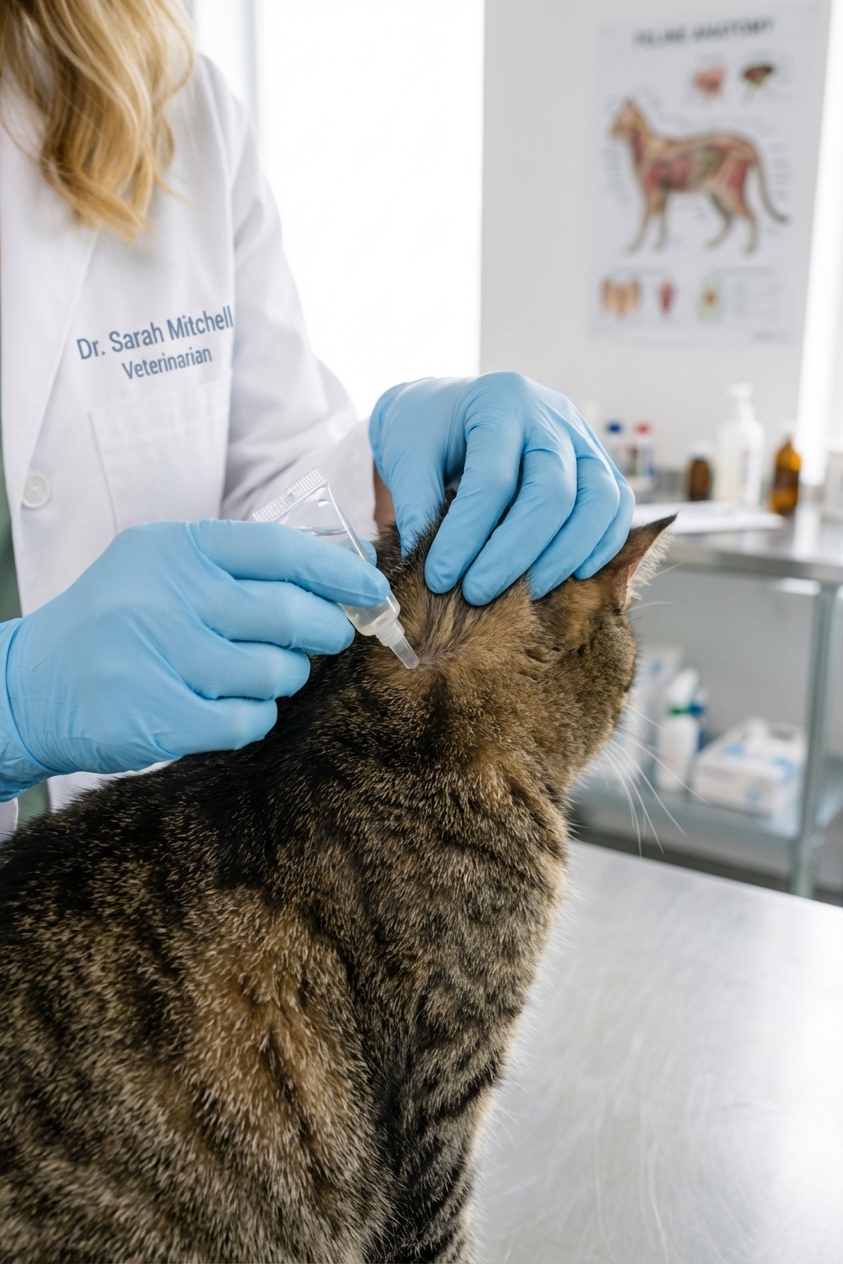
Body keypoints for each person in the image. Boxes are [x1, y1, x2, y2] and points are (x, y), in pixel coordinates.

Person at [0, 0, 632, 831]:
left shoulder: (168, 91)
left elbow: (272, 474)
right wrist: (15, 700)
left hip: (133, 859)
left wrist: (385, 477)